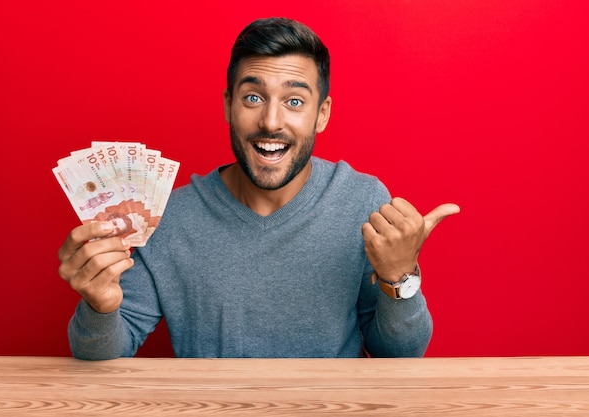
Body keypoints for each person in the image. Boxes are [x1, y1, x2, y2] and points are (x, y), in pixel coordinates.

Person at [57, 17, 460, 360]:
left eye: (294, 102)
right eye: (253, 97)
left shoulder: (363, 202)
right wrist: (100, 307)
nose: (271, 121)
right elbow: (102, 352)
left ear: (322, 114)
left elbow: (401, 354)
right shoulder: (170, 217)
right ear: (228, 105)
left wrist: (400, 277)